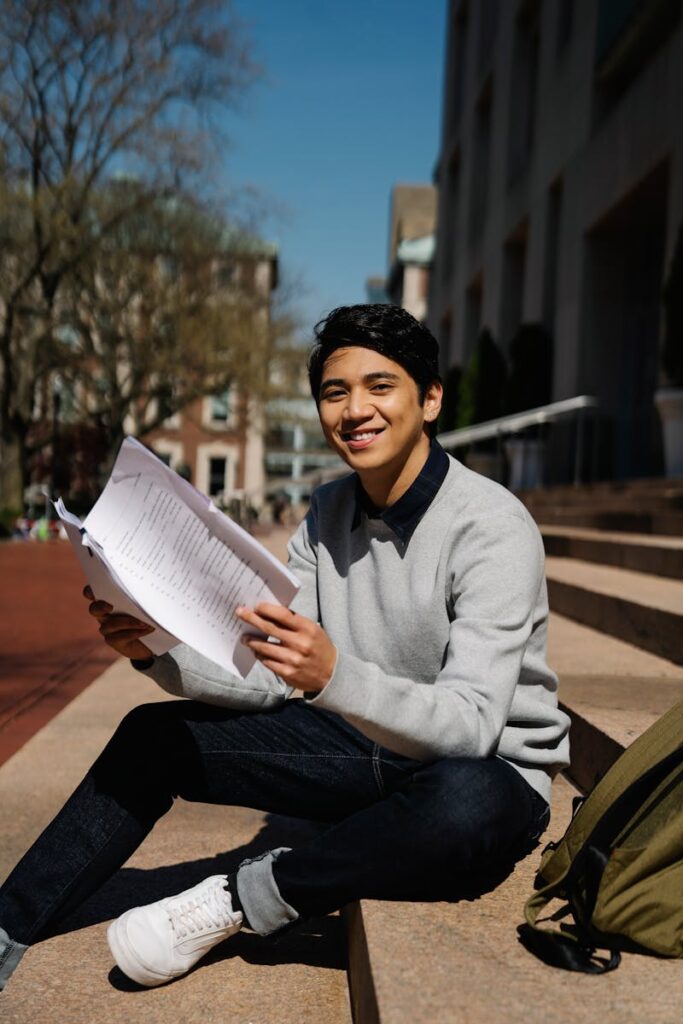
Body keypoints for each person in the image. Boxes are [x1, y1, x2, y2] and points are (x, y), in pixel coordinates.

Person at [0, 304, 571, 991]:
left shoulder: (493, 526)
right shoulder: (327, 512)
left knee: (468, 801)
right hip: (362, 746)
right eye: (335, 393)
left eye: (379, 386)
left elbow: (472, 724)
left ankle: (241, 898)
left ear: (429, 399)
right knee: (153, 737)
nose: (354, 409)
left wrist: (334, 674)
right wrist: (155, 651)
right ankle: (10, 923)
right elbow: (269, 674)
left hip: (484, 767)